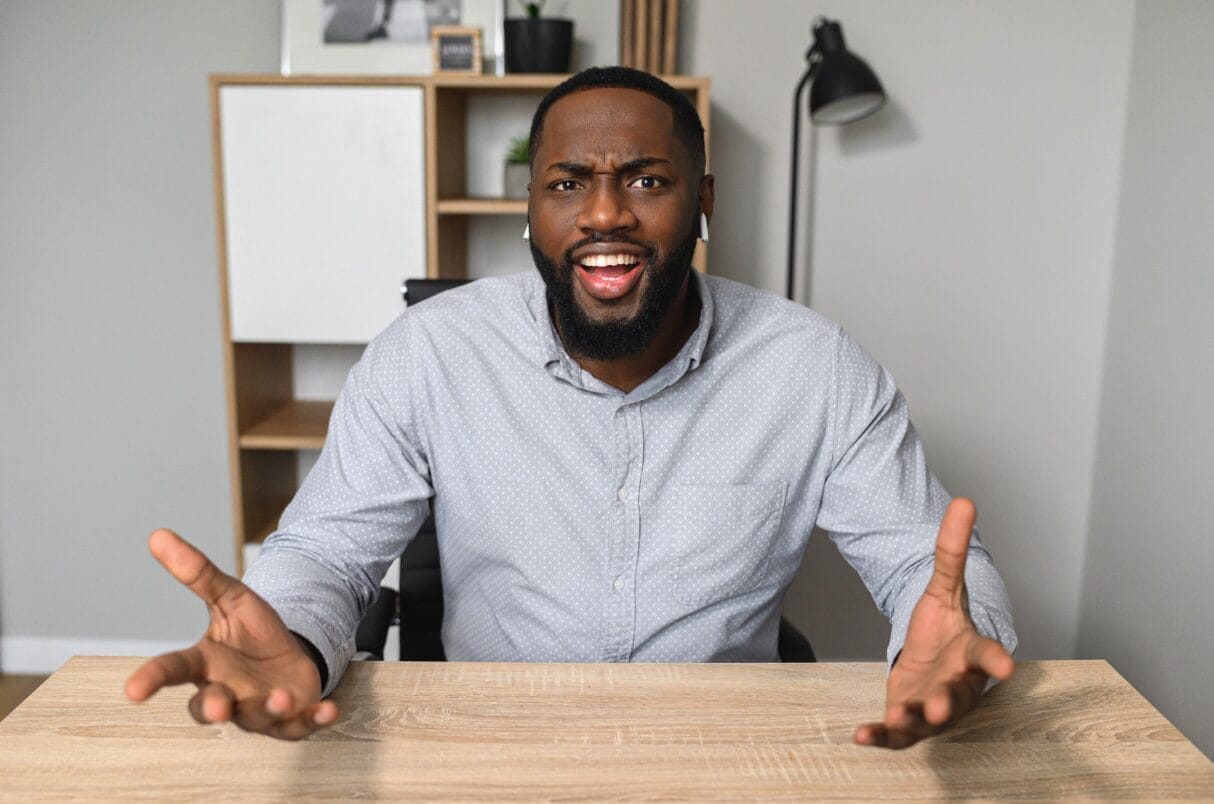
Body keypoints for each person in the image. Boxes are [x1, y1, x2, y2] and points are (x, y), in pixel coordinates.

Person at [126, 67, 1017, 748]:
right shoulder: (429, 353)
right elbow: (327, 549)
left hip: (715, 748)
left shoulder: (815, 368)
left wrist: (952, 634)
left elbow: (922, 563)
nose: (603, 215)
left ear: (702, 202)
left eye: (646, 180)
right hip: (492, 745)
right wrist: (292, 636)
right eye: (565, 184)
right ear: (529, 211)